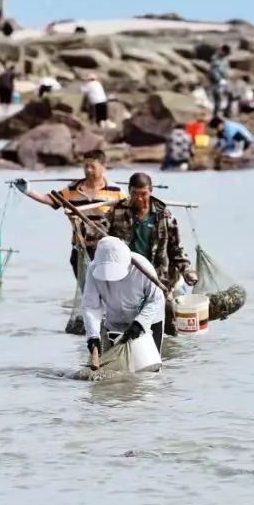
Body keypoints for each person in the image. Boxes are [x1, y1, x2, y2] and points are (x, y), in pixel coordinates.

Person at [106, 172, 197, 333]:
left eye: (143, 194)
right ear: (129, 191)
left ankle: (169, 355)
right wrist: (79, 223)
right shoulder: (117, 211)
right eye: (135, 193)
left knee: (168, 323)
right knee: (128, 324)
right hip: (128, 278)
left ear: (151, 191)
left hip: (158, 279)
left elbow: (176, 250)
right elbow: (99, 237)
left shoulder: (164, 216)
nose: (139, 198)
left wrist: (188, 271)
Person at [15, 150, 124, 278]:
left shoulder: (116, 191)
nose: (88, 170)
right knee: (87, 293)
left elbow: (127, 216)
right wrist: (28, 191)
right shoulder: (73, 189)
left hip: (106, 249)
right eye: (86, 166)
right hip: (81, 248)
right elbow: (50, 199)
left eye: (92, 167)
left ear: (104, 166)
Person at [83, 237, 166, 370]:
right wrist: (93, 336)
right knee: (116, 372)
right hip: (114, 322)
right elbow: (91, 306)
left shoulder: (142, 267)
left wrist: (140, 324)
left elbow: (156, 299)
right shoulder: (93, 270)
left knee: (148, 369)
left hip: (148, 321)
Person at [208, 44, 232, 117]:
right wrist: (219, 80)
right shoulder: (215, 59)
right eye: (225, 53)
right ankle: (216, 115)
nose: (226, 55)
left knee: (230, 95)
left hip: (225, 81)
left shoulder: (225, 59)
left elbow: (226, 69)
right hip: (216, 83)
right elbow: (213, 71)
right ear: (222, 51)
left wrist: (226, 78)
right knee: (218, 99)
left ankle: (227, 112)